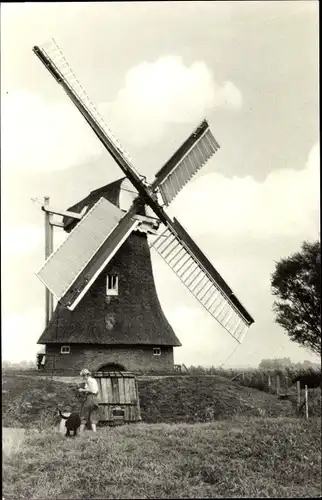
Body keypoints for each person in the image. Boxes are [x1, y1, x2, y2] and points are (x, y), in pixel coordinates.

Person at [78, 368, 100, 433]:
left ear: (86, 375)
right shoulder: (93, 380)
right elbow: (96, 391)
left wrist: (82, 390)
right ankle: (94, 432)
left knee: (84, 413)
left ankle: (81, 432)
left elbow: (92, 390)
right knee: (93, 414)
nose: (83, 378)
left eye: (83, 376)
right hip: (95, 399)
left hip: (90, 398)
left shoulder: (89, 381)